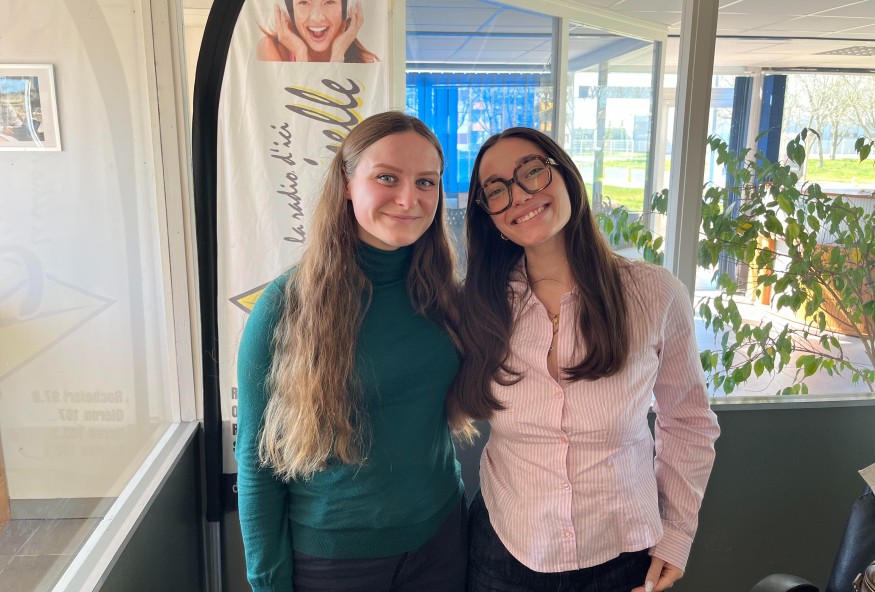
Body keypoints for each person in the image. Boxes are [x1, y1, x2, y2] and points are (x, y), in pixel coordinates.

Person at [451, 127, 720, 592]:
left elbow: (688, 421)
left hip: (622, 552)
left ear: (566, 176)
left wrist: (677, 533)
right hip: (504, 550)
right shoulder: (478, 305)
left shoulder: (654, 294)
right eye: (496, 190)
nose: (520, 195)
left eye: (532, 172)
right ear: (488, 214)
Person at [236, 111, 470, 592]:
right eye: (387, 177)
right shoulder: (286, 305)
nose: (409, 199)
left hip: (442, 538)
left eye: (426, 182)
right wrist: (267, 582)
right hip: (335, 560)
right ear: (346, 183)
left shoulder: (442, 294)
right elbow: (257, 463)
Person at [257, 0, 378, 63]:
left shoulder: (366, 61)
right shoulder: (271, 49)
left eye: (329, 2)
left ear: (344, 10)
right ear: (290, 12)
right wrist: (301, 54)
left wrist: (337, 55)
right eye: (304, 2)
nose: (317, 18)